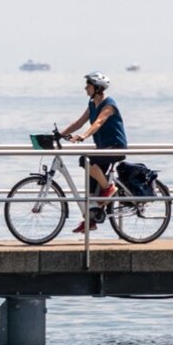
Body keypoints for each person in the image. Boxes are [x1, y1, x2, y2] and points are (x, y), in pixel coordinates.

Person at [59, 71, 127, 233]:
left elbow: (99, 122)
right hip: (103, 149)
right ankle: (91, 220)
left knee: (86, 160)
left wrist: (84, 136)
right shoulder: (92, 104)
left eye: (88, 85)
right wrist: (60, 135)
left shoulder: (109, 104)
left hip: (115, 147)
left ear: (97, 87)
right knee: (91, 188)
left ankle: (109, 188)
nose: (85, 88)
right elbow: (79, 122)